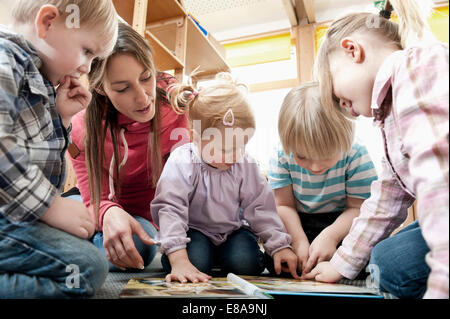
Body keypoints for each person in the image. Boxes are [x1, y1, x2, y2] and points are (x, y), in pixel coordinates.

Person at [305, 0, 449, 299]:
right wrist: (342, 264)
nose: (348, 110)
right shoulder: (389, 114)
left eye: (340, 98)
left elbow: (440, 180)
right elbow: (387, 199)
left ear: (352, 50)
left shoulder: (415, 67)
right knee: (384, 255)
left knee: (389, 266)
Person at [0, 0, 118, 298]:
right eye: (88, 51)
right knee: (86, 267)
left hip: (16, 214)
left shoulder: (36, 75)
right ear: (48, 22)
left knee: (85, 256)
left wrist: (62, 116)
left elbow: (35, 154)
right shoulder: (5, 61)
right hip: (8, 215)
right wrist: (49, 206)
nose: (86, 68)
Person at [151, 73, 300, 283]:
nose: (233, 156)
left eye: (240, 146)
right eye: (223, 149)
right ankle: (196, 258)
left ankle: (226, 257)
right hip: (193, 231)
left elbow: (261, 208)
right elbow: (170, 208)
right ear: (194, 138)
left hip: (233, 231)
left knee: (245, 264)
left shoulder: (245, 164)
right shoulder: (182, 160)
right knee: (195, 261)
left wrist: (279, 246)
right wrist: (178, 257)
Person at [69, 22, 190, 272]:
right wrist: (107, 212)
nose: (144, 97)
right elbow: (95, 197)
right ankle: (76, 221)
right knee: (137, 246)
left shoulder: (176, 101)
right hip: (117, 210)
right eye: (123, 88)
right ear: (100, 89)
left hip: (164, 214)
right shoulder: (82, 127)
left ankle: (78, 228)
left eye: (146, 77)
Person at [267, 82, 378, 277]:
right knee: (276, 257)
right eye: (302, 156)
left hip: (342, 222)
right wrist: (299, 241)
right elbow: (283, 206)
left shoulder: (355, 153)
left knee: (367, 256)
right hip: (299, 222)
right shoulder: (281, 154)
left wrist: (331, 236)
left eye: (326, 156)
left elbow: (358, 208)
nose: (315, 167)